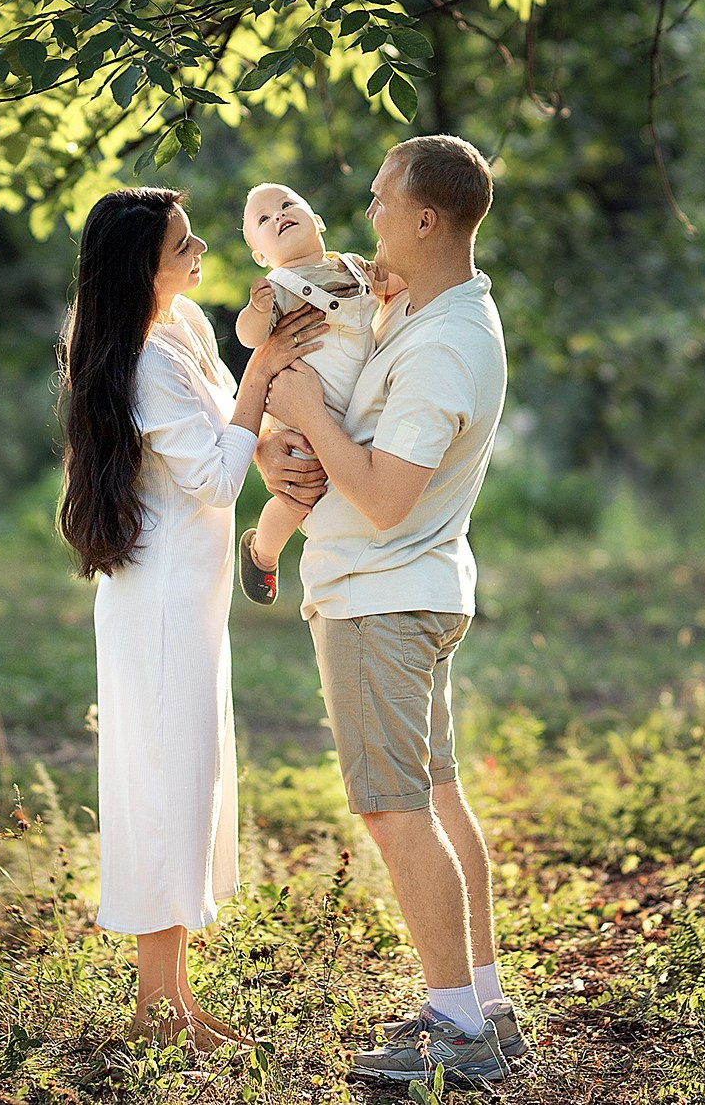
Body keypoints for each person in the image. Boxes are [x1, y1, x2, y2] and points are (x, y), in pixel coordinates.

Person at [258, 135, 521, 1086]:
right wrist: (285, 445)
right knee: (436, 796)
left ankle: (456, 1027)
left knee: (392, 808)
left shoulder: (446, 347)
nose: (364, 213)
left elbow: (383, 497)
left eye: (379, 200)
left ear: (425, 219)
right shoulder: (420, 311)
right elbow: (343, 435)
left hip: (382, 599)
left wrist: (307, 414)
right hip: (410, 591)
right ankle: (485, 1001)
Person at [57, 185, 326, 1051]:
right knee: (164, 787)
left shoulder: (186, 331)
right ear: (144, 265)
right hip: (162, 598)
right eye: (183, 242)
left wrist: (277, 434)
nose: (203, 246)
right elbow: (215, 476)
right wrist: (257, 383)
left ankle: (173, 998)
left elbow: (231, 440)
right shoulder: (139, 358)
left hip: (194, 596)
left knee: (187, 780)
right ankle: (155, 1008)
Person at [233, 181, 403, 606]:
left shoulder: (353, 267)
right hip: (307, 407)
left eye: (287, 204)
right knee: (300, 494)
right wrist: (256, 310)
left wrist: (394, 279)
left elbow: (393, 288)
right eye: (264, 219)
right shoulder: (279, 286)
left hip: (358, 405)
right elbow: (249, 338)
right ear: (261, 256)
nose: (279, 216)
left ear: (318, 221)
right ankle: (263, 553)